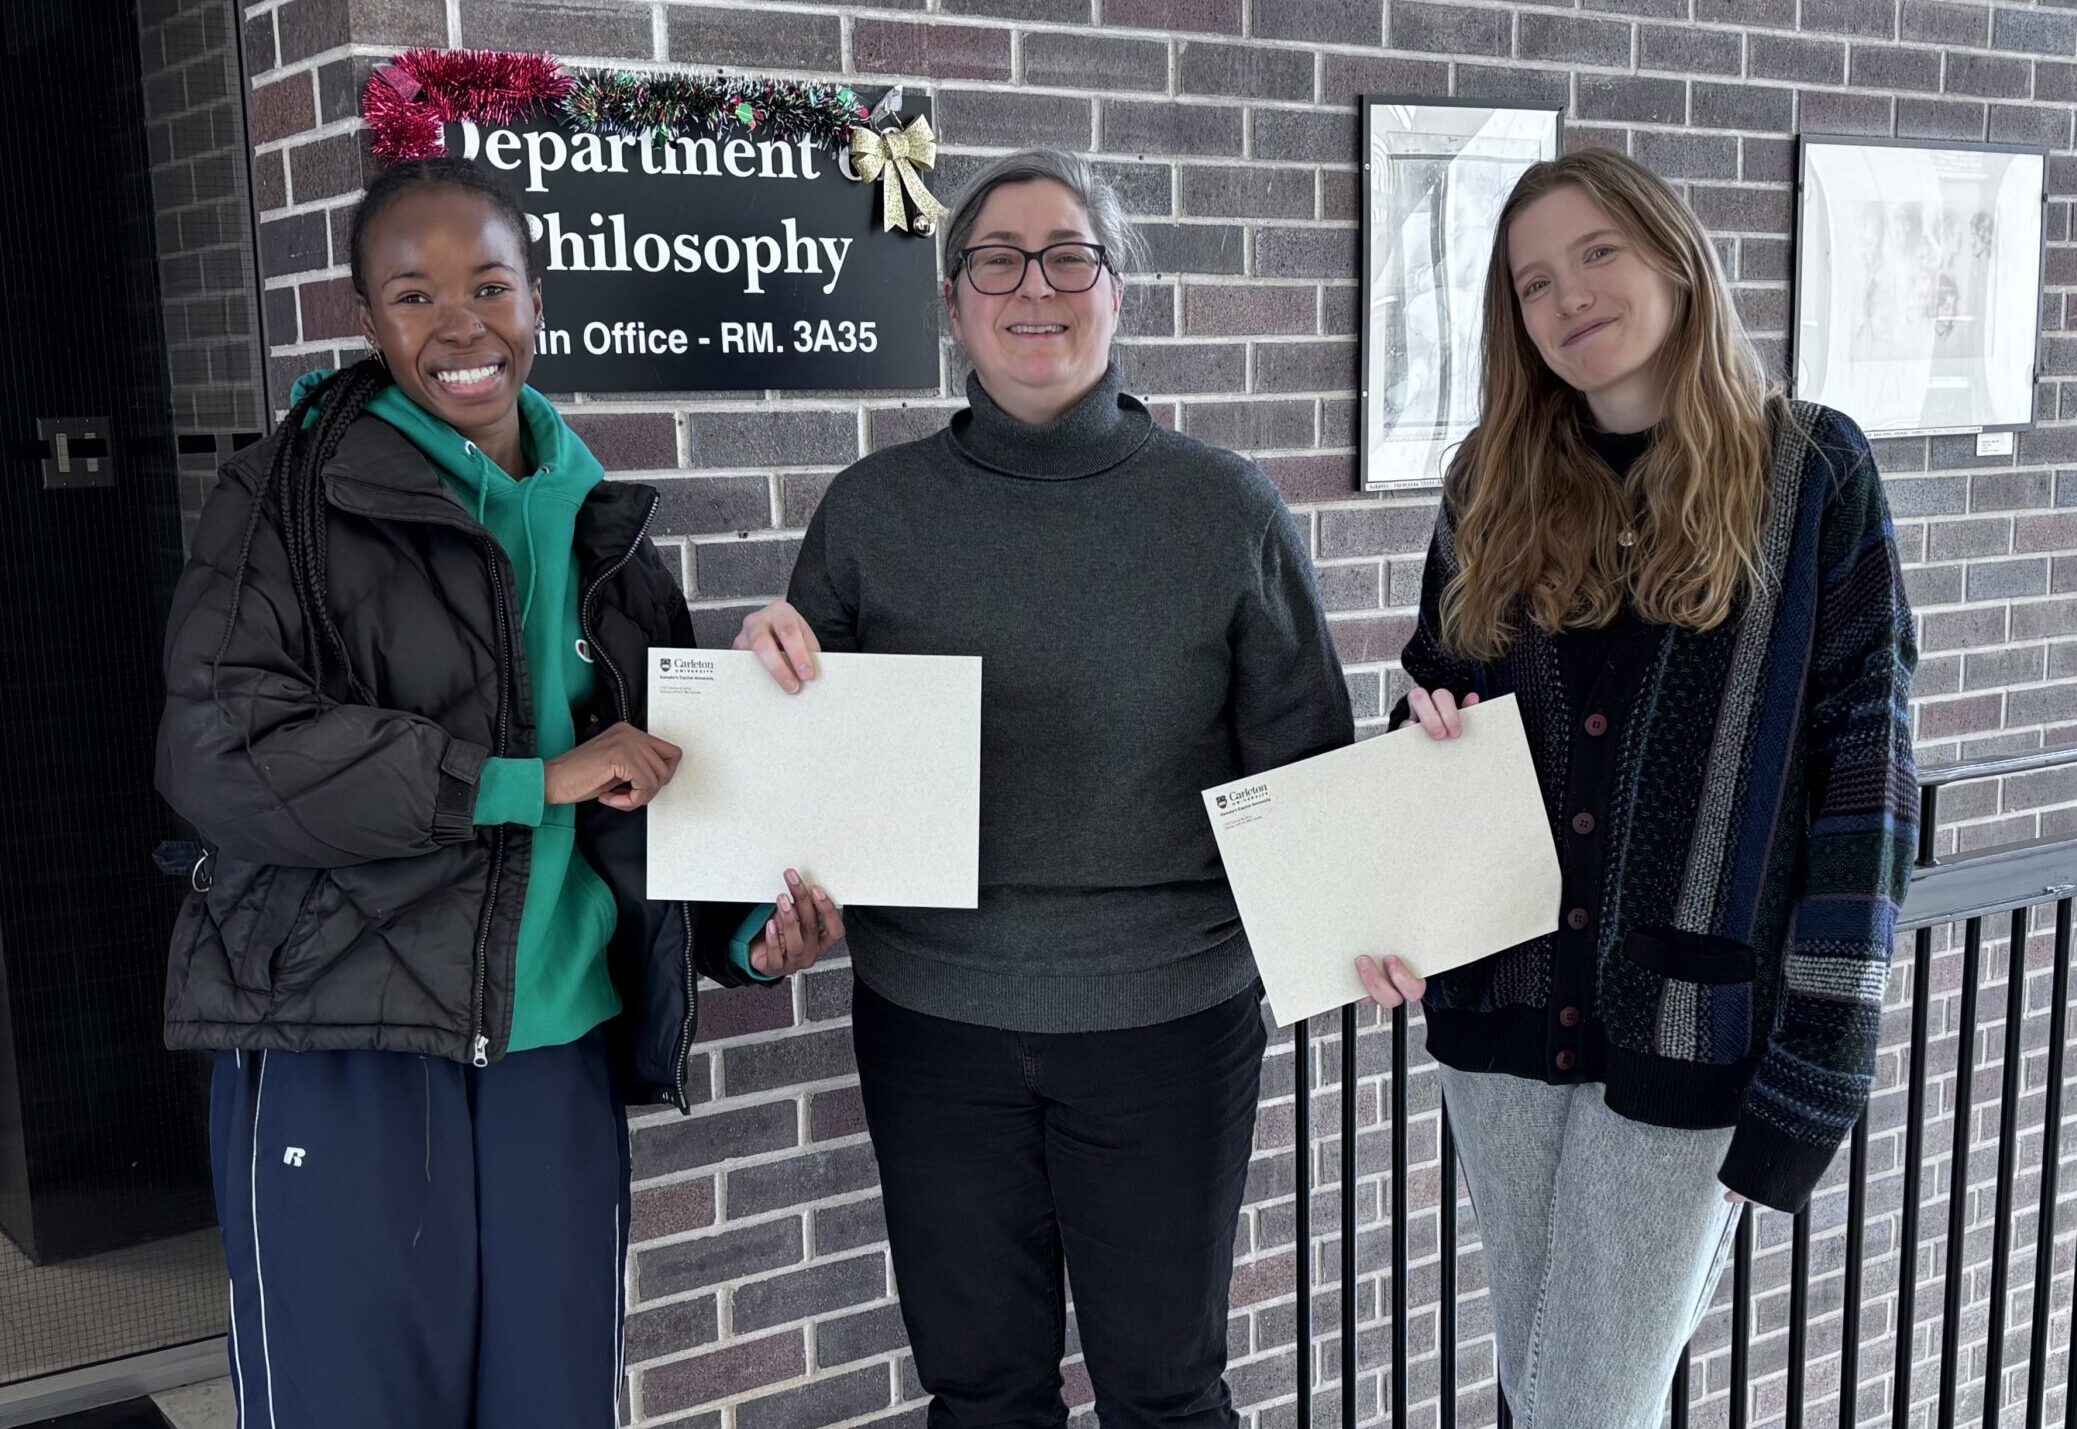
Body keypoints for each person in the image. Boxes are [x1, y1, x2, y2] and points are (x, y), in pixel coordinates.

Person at [153, 157, 842, 1429]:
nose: (458, 325)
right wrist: (521, 780)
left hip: (554, 1053)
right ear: (366, 318)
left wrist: (745, 931)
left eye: (488, 286)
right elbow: (220, 753)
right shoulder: (283, 500)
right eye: (413, 294)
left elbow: (660, 786)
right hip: (344, 1038)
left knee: (552, 1402)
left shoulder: (604, 525)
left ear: (537, 299)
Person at [734, 150, 1353, 1427]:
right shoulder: (870, 511)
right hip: (932, 1024)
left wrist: (1389, 900)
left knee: (1165, 1393)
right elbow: (802, 786)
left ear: (1118, 291)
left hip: (1164, 1026)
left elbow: (1310, 775)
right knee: (979, 1392)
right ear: (952, 303)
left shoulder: (1223, 510)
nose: (1034, 288)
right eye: (997, 261)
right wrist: (759, 678)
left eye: (1070, 257)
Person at [1355, 149, 1917, 1427]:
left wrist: (1819, 1071)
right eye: (1532, 282)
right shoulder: (1487, 484)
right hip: (1499, 1012)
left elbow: (1867, 785)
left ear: (1673, 254)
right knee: (1557, 1386)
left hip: (1692, 1026)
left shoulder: (1808, 475)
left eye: (1596, 253)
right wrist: (1403, 811)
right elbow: (1436, 702)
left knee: (1578, 1404)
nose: (1568, 297)